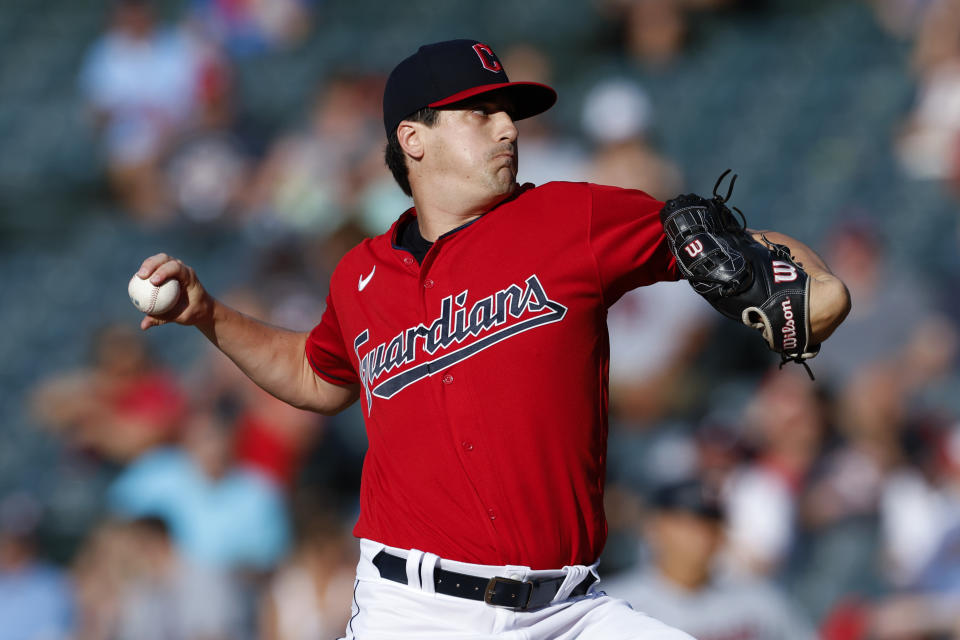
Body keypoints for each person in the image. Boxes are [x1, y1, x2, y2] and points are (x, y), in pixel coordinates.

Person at [133, 39, 850, 639]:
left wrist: (817, 283)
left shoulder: (574, 217)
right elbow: (319, 378)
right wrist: (210, 315)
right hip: (415, 612)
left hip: (570, 611)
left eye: (510, 113)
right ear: (413, 139)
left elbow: (729, 243)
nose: (508, 127)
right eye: (481, 114)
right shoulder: (360, 276)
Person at [601, 479, 817, 640]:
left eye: (711, 526)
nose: (702, 537)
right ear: (654, 528)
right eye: (688, 524)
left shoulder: (759, 602)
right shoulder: (612, 606)